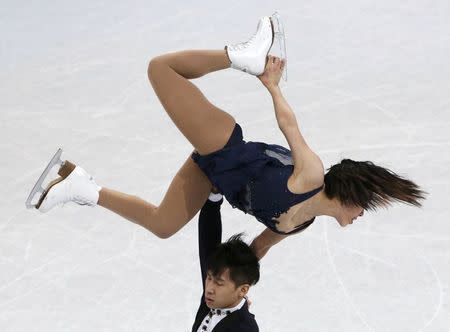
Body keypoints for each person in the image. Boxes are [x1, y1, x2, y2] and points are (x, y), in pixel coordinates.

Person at [27, 14, 426, 258]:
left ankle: (80, 186)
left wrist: (241, 288)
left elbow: (256, 251)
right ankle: (240, 56)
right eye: (362, 209)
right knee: (159, 70)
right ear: (351, 198)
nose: (360, 217)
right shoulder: (312, 176)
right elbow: (290, 127)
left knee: (164, 225)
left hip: (213, 172)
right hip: (224, 144)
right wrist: (271, 85)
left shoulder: (296, 226)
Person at [192, 191, 259, 331]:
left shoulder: (244, 328)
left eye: (218, 283)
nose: (209, 288)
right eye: (209, 278)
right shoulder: (217, 299)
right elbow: (208, 242)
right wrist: (213, 199)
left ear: (243, 290)